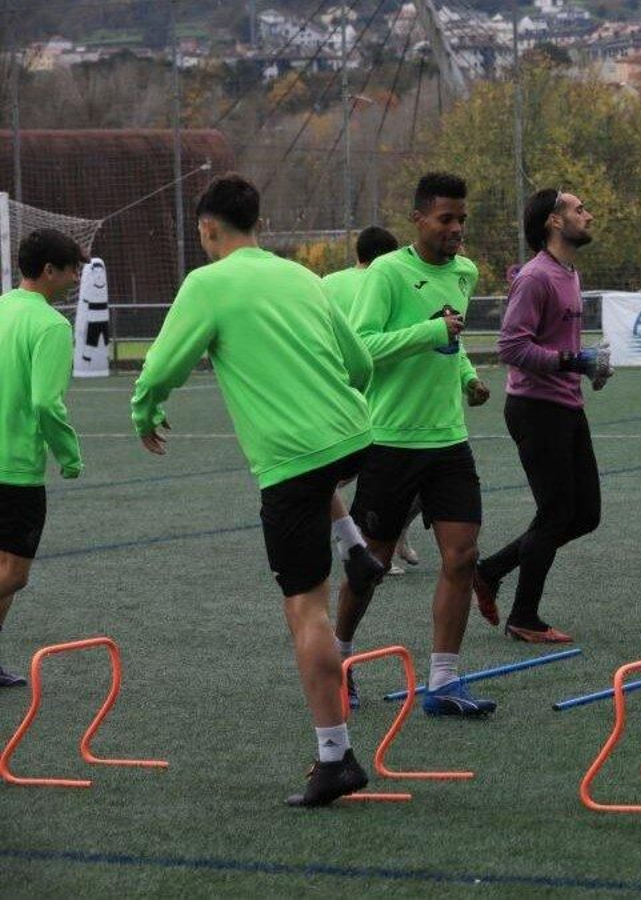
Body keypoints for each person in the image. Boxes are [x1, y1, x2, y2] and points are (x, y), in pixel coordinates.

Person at [131, 174, 376, 805]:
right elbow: (361, 366)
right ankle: (353, 544)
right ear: (259, 224)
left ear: (207, 228)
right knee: (317, 472)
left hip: (295, 459)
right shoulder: (302, 276)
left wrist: (144, 411)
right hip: (354, 436)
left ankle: (335, 758)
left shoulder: (207, 283)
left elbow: (162, 368)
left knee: (305, 609)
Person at [336, 172, 496, 716]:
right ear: (419, 219)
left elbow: (453, 340)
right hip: (390, 440)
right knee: (371, 564)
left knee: (462, 554)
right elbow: (360, 349)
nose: (456, 229)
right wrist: (430, 334)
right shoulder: (387, 272)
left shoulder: (466, 272)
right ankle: (338, 660)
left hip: (448, 439)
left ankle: (444, 683)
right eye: (446, 218)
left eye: (462, 219)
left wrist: (468, 375)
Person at [474, 189, 614, 642]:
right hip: (535, 409)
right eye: (578, 209)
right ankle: (524, 617)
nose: (587, 215)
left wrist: (589, 370)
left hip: (565, 405)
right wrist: (575, 361)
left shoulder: (568, 272)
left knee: (585, 514)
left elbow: (558, 346)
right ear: (554, 222)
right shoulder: (536, 277)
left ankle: (490, 570)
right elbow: (511, 347)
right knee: (556, 513)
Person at [0, 229, 86, 688]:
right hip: (14, 470)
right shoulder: (51, 325)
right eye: (72, 268)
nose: (76, 277)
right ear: (49, 271)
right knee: (14, 574)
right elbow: (46, 404)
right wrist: (70, 455)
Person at [321, 226, 400, 586]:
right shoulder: (391, 282)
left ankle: (353, 538)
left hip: (336, 388)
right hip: (382, 389)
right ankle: (377, 543)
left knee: (329, 475)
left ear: (357, 253)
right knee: (384, 473)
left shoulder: (327, 282)